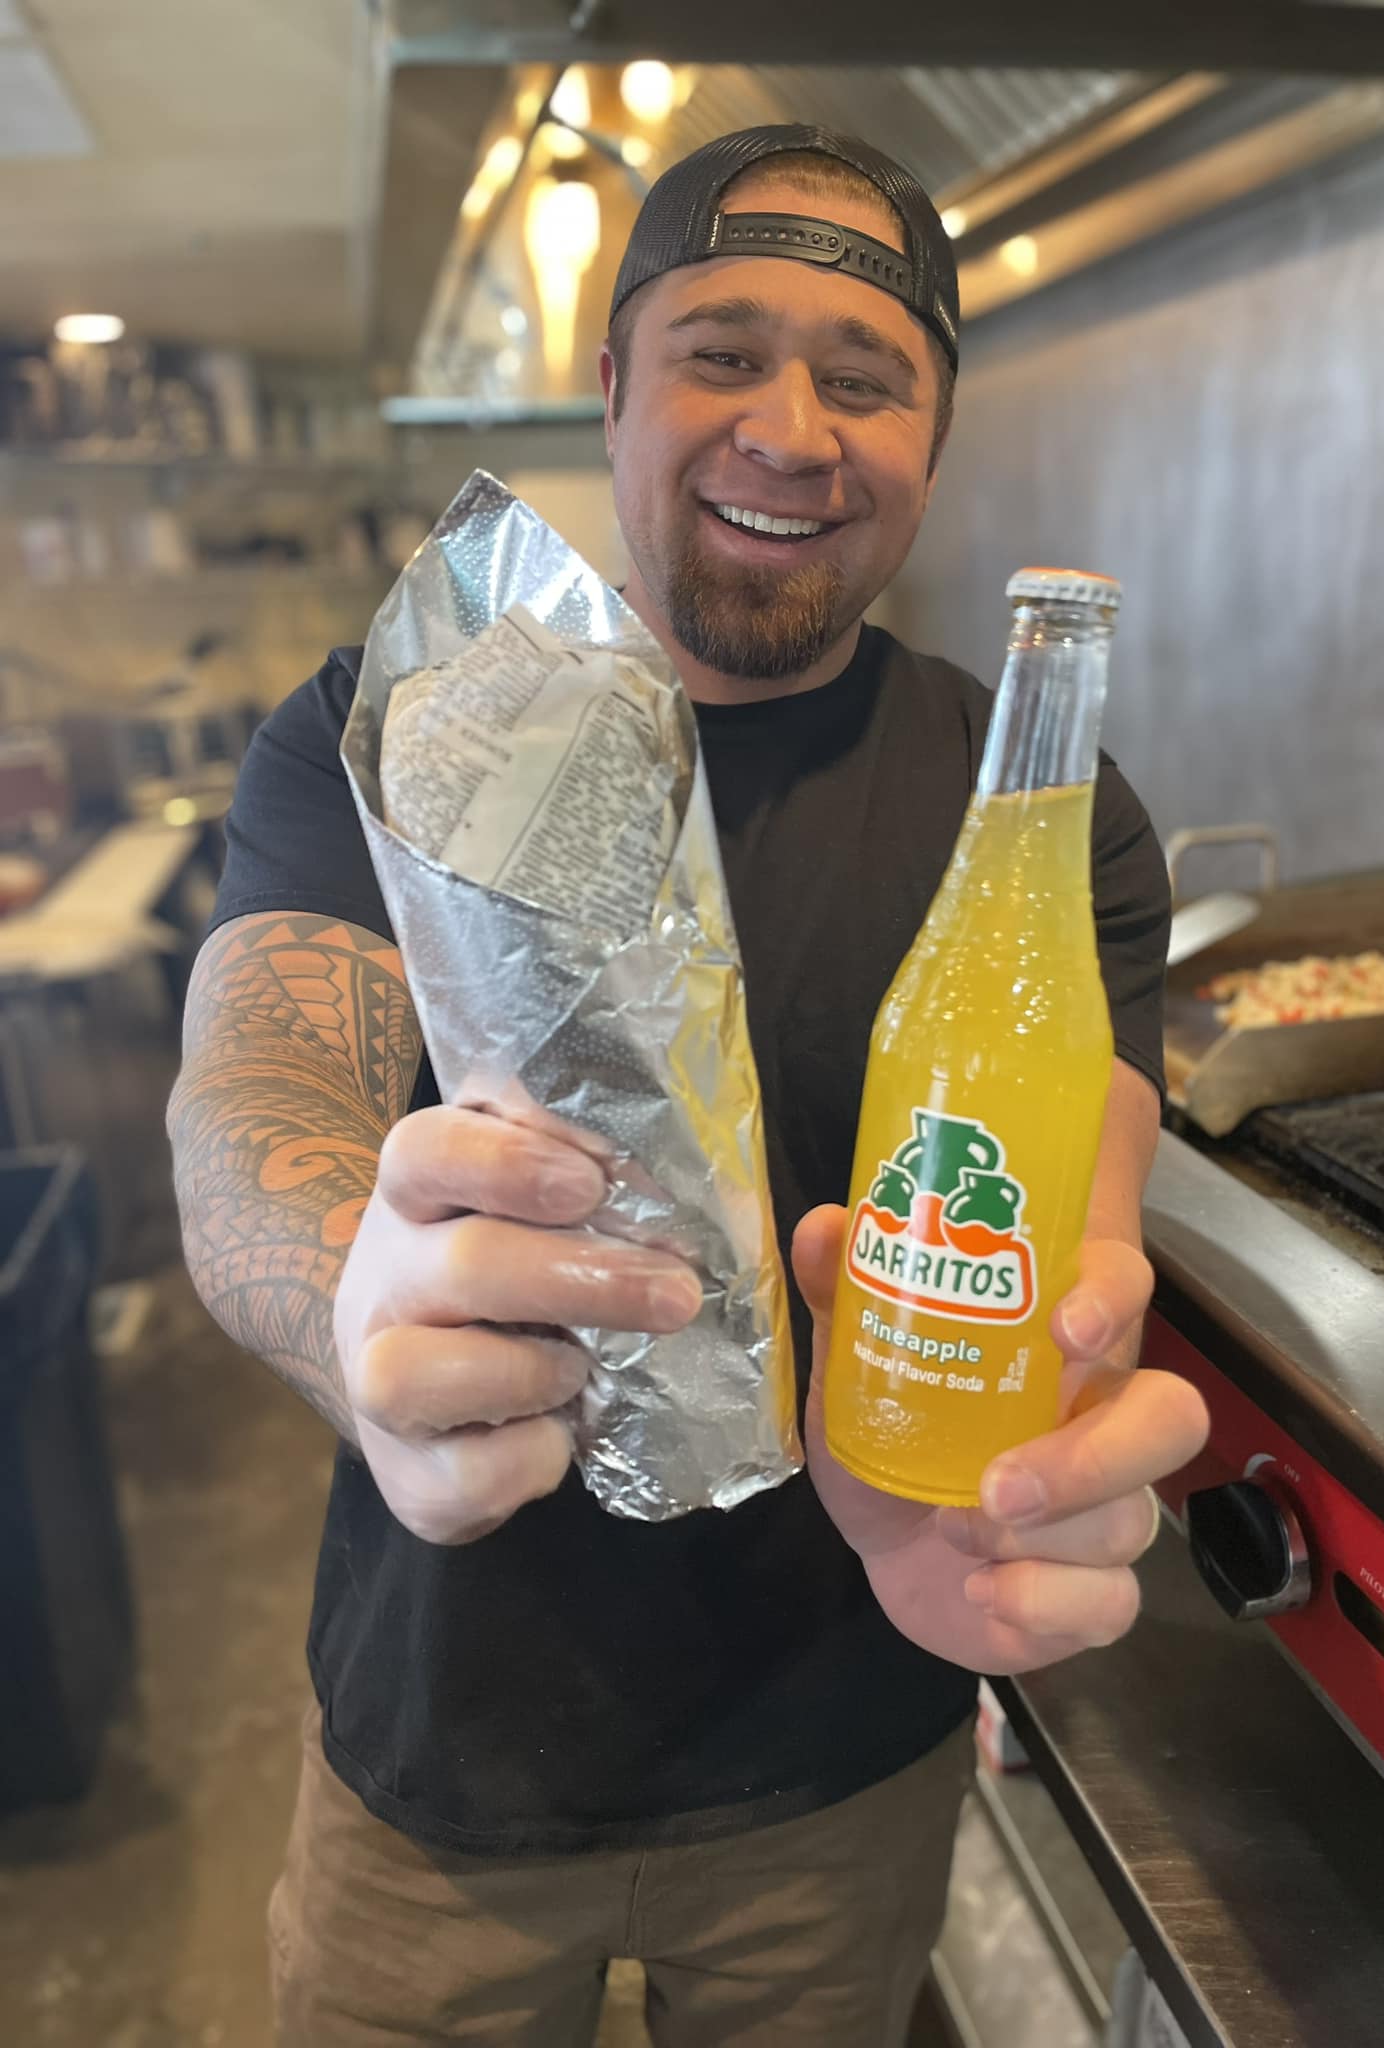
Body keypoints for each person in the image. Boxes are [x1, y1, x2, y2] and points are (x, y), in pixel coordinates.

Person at [167, 124, 1209, 2047]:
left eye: (865, 379)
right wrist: (350, 1314)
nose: (791, 431)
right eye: (723, 352)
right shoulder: (406, 729)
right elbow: (261, 1096)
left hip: (845, 1762)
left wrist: (1036, 1434)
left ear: (935, 436)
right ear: (613, 386)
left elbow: (1077, 1221)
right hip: (437, 1773)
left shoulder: (1040, 821)